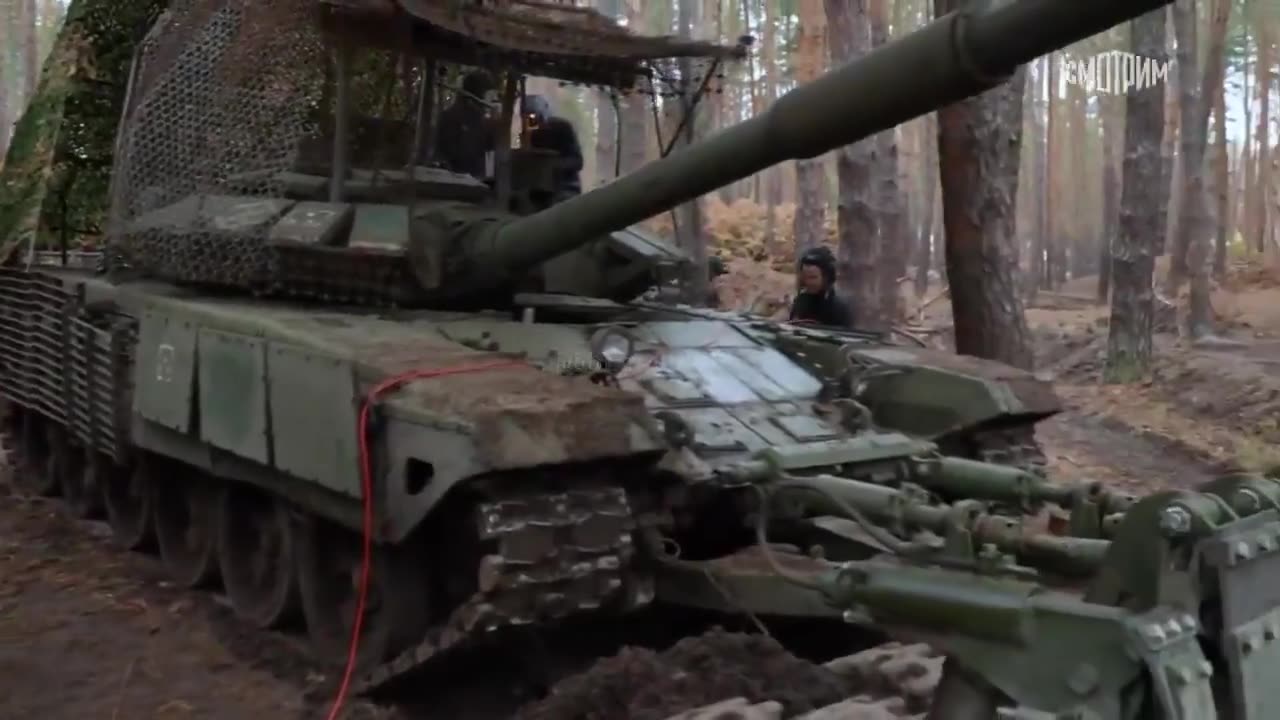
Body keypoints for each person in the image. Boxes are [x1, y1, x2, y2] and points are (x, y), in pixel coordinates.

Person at [435, 71, 497, 178]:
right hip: (457, 181)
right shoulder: (453, 117)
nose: (492, 100)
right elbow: (453, 154)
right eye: (489, 95)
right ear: (478, 94)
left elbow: (491, 146)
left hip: (476, 180)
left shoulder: (481, 119)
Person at [523, 94, 583, 204]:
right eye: (528, 119)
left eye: (534, 118)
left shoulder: (563, 128)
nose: (532, 123)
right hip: (542, 189)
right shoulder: (534, 134)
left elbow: (578, 161)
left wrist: (554, 165)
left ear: (542, 114)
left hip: (567, 187)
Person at [789, 246, 853, 327]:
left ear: (827, 277)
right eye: (805, 277)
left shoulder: (838, 308)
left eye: (813, 277)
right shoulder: (801, 301)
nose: (808, 282)